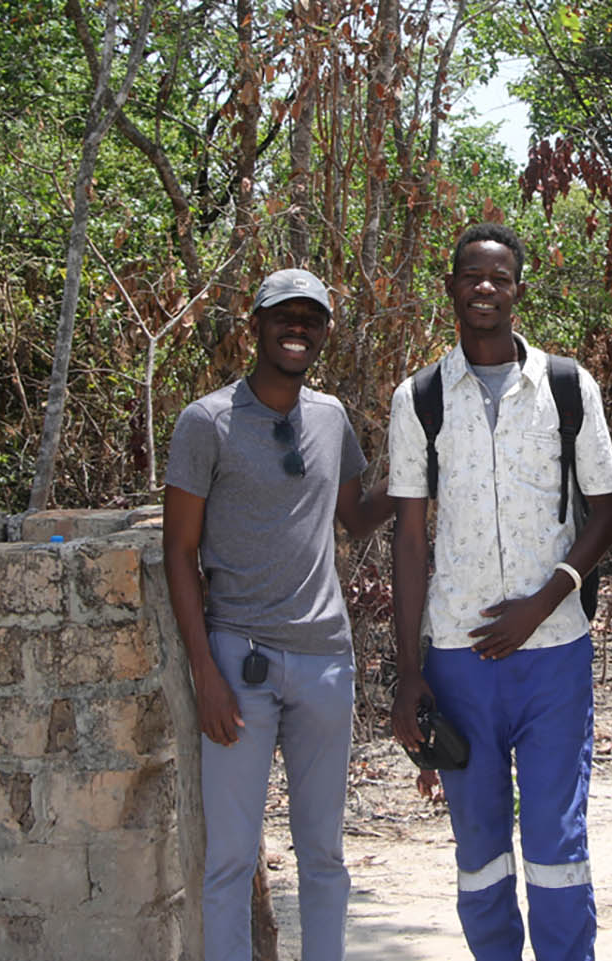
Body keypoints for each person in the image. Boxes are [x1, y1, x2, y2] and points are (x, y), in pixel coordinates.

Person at [388, 223, 612, 961]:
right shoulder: (419, 398)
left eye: (499, 277)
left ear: (518, 289)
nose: (484, 287)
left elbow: (608, 507)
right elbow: (409, 538)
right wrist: (408, 670)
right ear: (452, 287)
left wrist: (543, 602)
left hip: (552, 653)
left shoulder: (565, 385)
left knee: (558, 838)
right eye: (471, 275)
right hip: (458, 658)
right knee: (479, 843)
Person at [162, 268, 393, 961]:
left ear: (324, 333)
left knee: (324, 852)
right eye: (284, 316)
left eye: (312, 319)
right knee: (230, 858)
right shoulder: (207, 422)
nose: (298, 329)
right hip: (240, 664)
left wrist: (419, 475)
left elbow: (353, 515)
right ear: (255, 325)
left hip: (326, 662)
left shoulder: (330, 417)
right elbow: (179, 551)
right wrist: (205, 668)